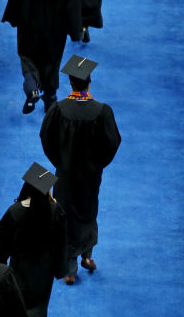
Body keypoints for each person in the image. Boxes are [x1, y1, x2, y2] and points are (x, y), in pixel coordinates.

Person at [40, 56, 121, 284]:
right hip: (90, 174)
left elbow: (46, 138)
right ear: (89, 82)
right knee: (88, 209)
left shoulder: (58, 109)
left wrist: (59, 162)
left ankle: (71, 265)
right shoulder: (102, 111)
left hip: (64, 173)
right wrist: (98, 164)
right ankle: (84, 256)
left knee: (65, 212)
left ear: (70, 84)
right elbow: (113, 142)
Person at [0, 163, 66, 317]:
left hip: (20, 270)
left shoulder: (16, 211)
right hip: (44, 271)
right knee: (40, 306)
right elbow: (62, 243)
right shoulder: (55, 211)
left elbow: (0, 244)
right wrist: (60, 268)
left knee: (17, 305)